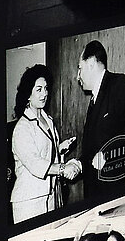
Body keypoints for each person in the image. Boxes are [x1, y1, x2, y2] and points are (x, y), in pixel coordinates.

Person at [9, 64, 80, 223]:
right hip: (30, 201)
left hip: (51, 194)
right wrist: (63, 169)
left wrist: (59, 148)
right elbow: (35, 163)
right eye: (39, 89)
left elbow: (45, 152)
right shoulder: (22, 128)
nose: (44, 94)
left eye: (46, 89)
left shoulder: (47, 120)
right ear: (28, 94)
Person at [77, 40, 125, 187]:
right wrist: (79, 163)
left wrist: (107, 153)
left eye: (80, 68)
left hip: (113, 185)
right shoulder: (94, 99)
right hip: (95, 188)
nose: (78, 76)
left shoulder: (118, 83)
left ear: (91, 63)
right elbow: (92, 146)